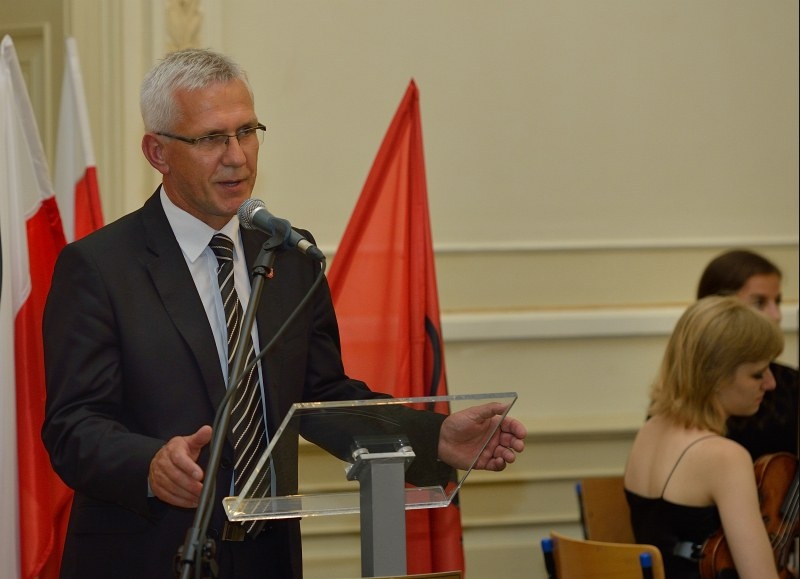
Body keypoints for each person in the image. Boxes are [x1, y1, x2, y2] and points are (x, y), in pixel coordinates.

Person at [41, 48, 526, 579]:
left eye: (247, 132)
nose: (237, 157)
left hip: (267, 557)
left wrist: (436, 437)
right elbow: (73, 426)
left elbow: (323, 398)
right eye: (211, 138)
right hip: (148, 555)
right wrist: (149, 464)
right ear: (158, 152)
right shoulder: (100, 267)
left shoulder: (289, 256)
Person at [624, 296, 784, 579]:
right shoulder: (725, 457)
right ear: (716, 377)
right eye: (757, 374)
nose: (770, 383)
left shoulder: (650, 430)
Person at [696, 249, 798, 460]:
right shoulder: (682, 389)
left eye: (777, 302)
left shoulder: (791, 383)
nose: (776, 315)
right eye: (759, 302)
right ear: (717, 308)